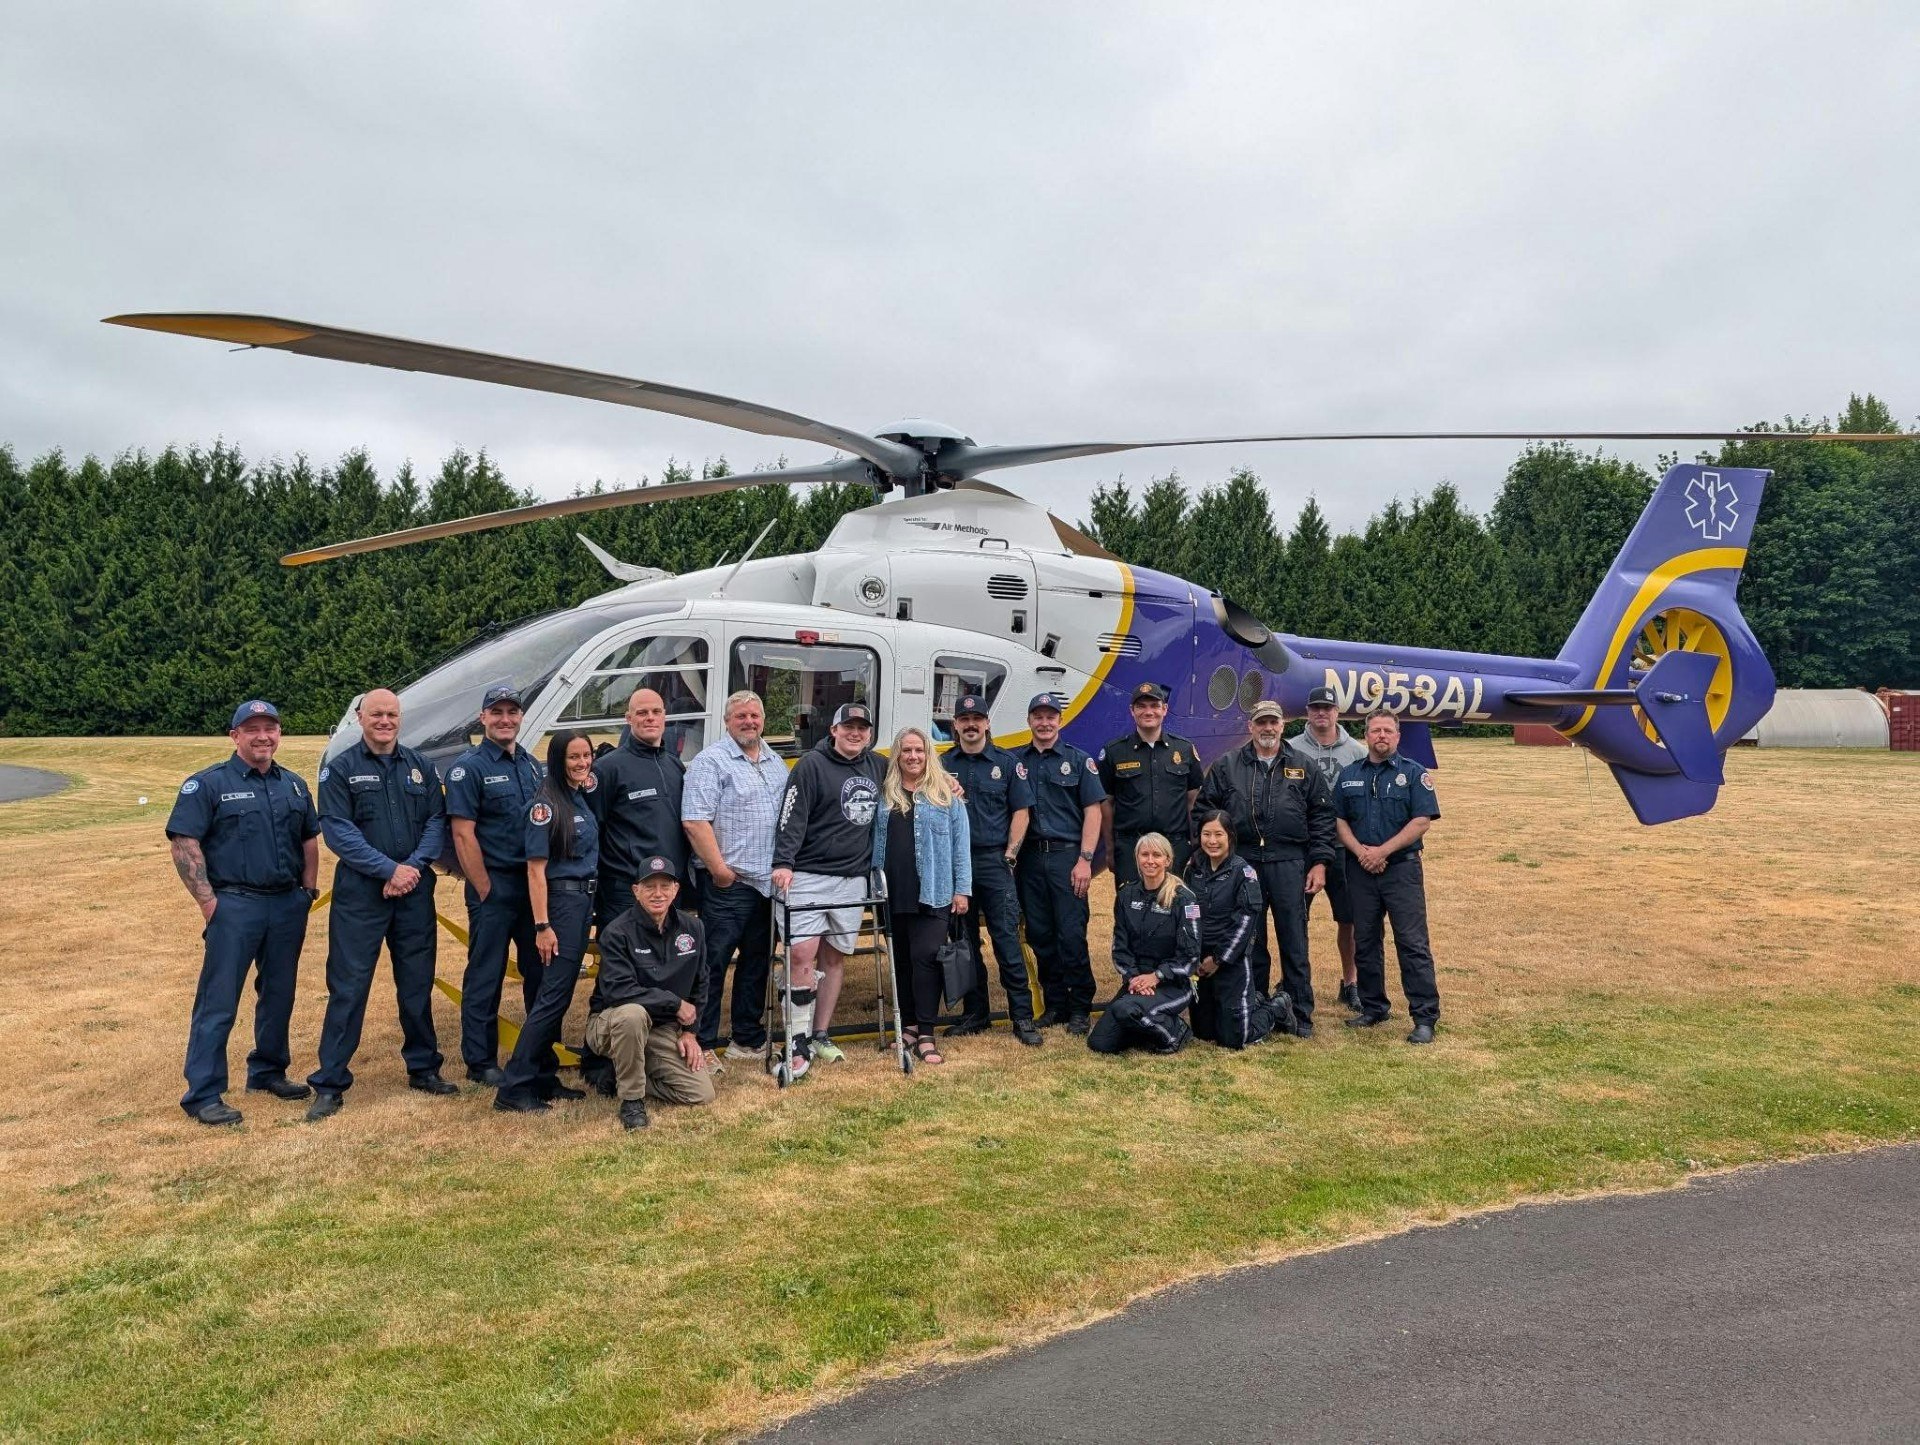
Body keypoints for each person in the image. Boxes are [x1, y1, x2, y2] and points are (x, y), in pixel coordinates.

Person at [165, 699, 321, 1125]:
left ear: (279, 734)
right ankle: (203, 1093)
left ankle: (268, 1070)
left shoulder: (293, 785)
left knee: (278, 994)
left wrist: (307, 891)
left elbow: (309, 839)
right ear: (235, 736)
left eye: (270, 728)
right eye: (252, 728)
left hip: (287, 904)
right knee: (218, 1002)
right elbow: (184, 842)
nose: (262, 736)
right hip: (235, 904)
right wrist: (209, 902)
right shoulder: (209, 784)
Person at [306, 688, 455, 1120]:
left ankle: (424, 1068)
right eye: (377, 714)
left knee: (416, 984)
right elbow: (337, 830)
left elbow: (435, 821)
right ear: (361, 717)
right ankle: (330, 1083)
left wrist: (412, 867)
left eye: (392, 714)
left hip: (413, 892)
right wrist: (388, 871)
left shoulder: (420, 767)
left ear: (399, 719)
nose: (385, 721)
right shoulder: (340, 770)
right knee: (349, 988)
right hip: (361, 896)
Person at [1196, 700, 1336, 1036]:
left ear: (1282, 726)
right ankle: (1255, 1005)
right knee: (1250, 938)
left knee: (1294, 938)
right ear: (1251, 727)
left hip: (1290, 861)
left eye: (1273, 722)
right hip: (1243, 863)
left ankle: (1300, 1011)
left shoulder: (1302, 765)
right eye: (1261, 723)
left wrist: (1318, 862)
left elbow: (1322, 817)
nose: (1268, 728)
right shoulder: (1227, 765)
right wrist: (1215, 857)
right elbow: (1205, 811)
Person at [770, 700, 885, 1079]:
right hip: (808, 875)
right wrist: (784, 862)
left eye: (862, 728)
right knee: (802, 953)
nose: (855, 733)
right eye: (848, 726)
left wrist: (947, 779)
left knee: (834, 958)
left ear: (869, 734)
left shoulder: (878, 766)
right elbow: (791, 816)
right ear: (833, 730)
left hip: (852, 878)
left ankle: (820, 1033)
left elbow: (919, 773)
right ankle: (796, 1038)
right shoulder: (810, 766)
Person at [445, 683, 546, 1085]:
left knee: (538, 971)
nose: (506, 719)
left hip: (532, 886)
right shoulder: (468, 768)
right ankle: (480, 1061)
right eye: (497, 712)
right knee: (485, 974)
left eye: (513, 712)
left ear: (521, 717)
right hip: (494, 887)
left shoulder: (531, 765)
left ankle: (537, 1054)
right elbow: (462, 835)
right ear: (483, 718)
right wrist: (484, 887)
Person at [495, 730, 600, 1112]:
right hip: (561, 904)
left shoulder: (576, 796)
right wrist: (543, 926)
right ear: (557, 760)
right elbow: (535, 871)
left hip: (581, 900)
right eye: (573, 757)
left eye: (586, 755)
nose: (582, 763)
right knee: (551, 998)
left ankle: (543, 1077)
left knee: (556, 995)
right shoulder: (546, 806)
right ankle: (514, 1086)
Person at [682, 690, 788, 1069]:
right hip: (729, 885)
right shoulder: (710, 762)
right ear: (727, 722)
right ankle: (703, 1040)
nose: (749, 722)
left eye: (755, 716)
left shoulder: (776, 762)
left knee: (757, 963)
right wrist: (720, 872)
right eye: (741, 716)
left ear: (763, 720)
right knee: (712, 964)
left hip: (767, 885)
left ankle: (746, 1036)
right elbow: (695, 821)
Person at [1333, 712, 1443, 1044]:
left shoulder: (1413, 773)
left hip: (1401, 870)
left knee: (1412, 944)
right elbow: (1339, 821)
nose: (1382, 735)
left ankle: (1424, 1016)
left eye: (1388, 731)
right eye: (1375, 730)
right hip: (1360, 869)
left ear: (1398, 736)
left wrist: (1382, 852)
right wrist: (1362, 853)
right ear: (1365, 735)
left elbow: (1421, 820)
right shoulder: (1349, 775)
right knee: (1365, 941)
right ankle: (1373, 1007)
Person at [584, 856, 714, 1130]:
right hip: (612, 1022)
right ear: (636, 891)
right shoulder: (617, 932)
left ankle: (617, 1075)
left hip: (660, 1028)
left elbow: (701, 982)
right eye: (649, 886)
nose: (658, 894)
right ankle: (632, 1102)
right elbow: (618, 991)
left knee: (700, 1094)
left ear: (676, 890)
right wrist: (674, 1003)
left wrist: (690, 1032)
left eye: (665, 886)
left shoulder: (694, 928)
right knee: (633, 1014)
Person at [943, 694, 1042, 1046]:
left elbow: (1021, 811)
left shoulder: (1007, 763)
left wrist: (1011, 855)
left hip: (994, 862)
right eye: (964, 718)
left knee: (1006, 941)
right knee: (965, 942)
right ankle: (976, 1014)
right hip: (956, 865)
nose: (971, 724)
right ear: (954, 724)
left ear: (987, 723)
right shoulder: (941, 765)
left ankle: (1022, 1017)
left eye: (977, 718)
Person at [871, 726, 972, 1066]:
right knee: (900, 962)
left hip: (935, 891)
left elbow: (961, 846)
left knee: (926, 960)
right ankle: (910, 1026)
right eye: (906, 751)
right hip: (892, 892)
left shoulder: (946, 794)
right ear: (897, 755)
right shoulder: (884, 794)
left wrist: (962, 890)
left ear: (929, 755)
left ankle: (927, 1033)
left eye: (920, 751)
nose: (913, 757)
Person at [1016, 693, 1107, 1036]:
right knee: (1040, 935)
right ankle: (1056, 1004)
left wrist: (1085, 860)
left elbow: (1093, 811)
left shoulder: (1079, 761)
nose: (1044, 722)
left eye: (1050, 716)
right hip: (1030, 860)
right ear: (1029, 721)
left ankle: (1081, 1006)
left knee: (1071, 935)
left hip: (1067, 858)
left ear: (1060, 721)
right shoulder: (1017, 763)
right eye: (1038, 716)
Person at [1288, 685, 1368, 1012]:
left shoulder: (1357, 752)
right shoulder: (1290, 749)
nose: (1322, 713)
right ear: (1308, 712)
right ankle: (1294, 981)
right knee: (1294, 918)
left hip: (1343, 849)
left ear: (1338, 712)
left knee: (1349, 920)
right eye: (1315, 708)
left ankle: (1350, 982)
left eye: (1328, 708)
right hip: (1300, 849)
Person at [1087, 834, 1200, 1055]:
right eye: (1144, 854)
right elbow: (1120, 948)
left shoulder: (1184, 899)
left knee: (1125, 1008)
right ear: (1137, 858)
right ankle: (1144, 1024)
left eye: (1157, 855)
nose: (1150, 860)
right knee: (1100, 1043)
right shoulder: (1126, 895)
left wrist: (1157, 976)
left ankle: (1176, 1033)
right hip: (1137, 982)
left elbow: (1191, 956)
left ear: (1168, 860)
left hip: (1174, 984)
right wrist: (1134, 978)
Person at [1185, 809, 1287, 1049]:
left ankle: (1276, 1008)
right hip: (1200, 961)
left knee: (1233, 1040)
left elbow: (1244, 924)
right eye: (1206, 834)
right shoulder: (1193, 870)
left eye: (1218, 834)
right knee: (1203, 1034)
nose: (1212, 841)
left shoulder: (1244, 873)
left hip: (1231, 961)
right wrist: (1193, 954)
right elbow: (1186, 913)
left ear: (1230, 836)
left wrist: (1218, 959)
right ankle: (1254, 1001)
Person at [590, 686, 687, 933]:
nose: (650, 718)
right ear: (629, 718)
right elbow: (592, 830)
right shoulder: (607, 769)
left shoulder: (675, 767)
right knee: (621, 965)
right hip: (625, 891)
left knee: (666, 966)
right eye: (642, 712)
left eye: (656, 711)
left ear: (665, 716)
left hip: (668, 889)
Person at [1098, 681, 1204, 886]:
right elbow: (1106, 804)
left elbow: (1194, 802)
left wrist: (1195, 845)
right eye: (1141, 706)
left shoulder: (1184, 750)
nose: (1148, 712)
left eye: (1154, 706)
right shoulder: (1114, 752)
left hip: (1174, 846)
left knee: (1174, 907)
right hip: (1131, 847)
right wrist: (1111, 849)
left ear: (1165, 709)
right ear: (1132, 711)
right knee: (1131, 909)